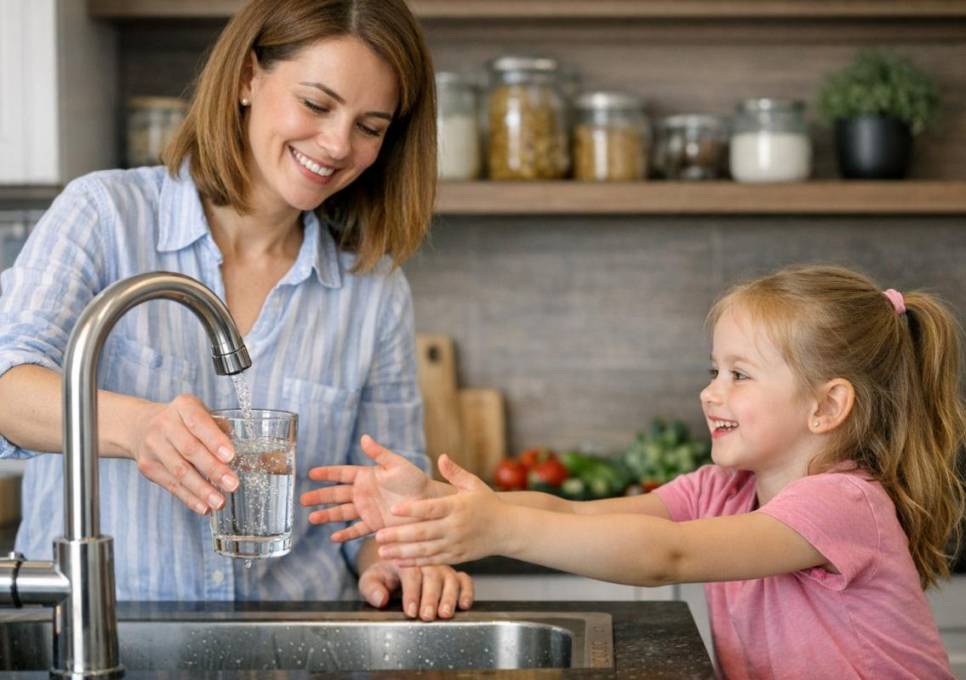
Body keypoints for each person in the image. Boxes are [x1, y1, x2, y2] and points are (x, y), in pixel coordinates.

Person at [0, 0, 474, 620]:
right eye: (316, 103)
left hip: (294, 648)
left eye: (370, 126)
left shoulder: (371, 287)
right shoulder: (104, 216)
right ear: (250, 77)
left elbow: (380, 497)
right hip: (101, 636)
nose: (336, 144)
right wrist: (137, 427)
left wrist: (394, 558)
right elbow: (7, 390)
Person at [303, 264, 965, 678]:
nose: (712, 393)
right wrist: (441, 502)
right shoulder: (724, 489)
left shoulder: (844, 503)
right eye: (713, 371)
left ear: (827, 406)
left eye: (740, 375)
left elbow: (665, 555)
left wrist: (497, 529)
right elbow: (575, 514)